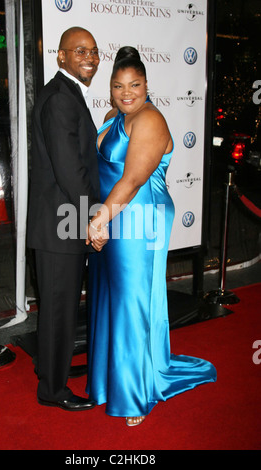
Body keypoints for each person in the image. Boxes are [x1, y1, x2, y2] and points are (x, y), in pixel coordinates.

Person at [85, 47, 217, 426]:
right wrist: (100, 217)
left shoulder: (150, 120)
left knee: (132, 299)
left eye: (135, 84)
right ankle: (110, 383)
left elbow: (133, 178)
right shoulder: (114, 116)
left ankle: (136, 392)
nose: (127, 92)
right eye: (118, 85)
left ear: (147, 85)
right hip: (114, 214)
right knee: (110, 296)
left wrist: (99, 221)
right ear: (110, 89)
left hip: (140, 217)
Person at [27, 27, 107, 412]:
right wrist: (94, 218)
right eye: (79, 51)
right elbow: (70, 171)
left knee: (57, 306)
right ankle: (52, 390)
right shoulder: (61, 98)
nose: (89, 57)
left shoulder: (66, 93)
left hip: (61, 221)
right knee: (60, 307)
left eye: (93, 51)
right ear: (61, 57)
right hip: (63, 223)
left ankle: (50, 367)